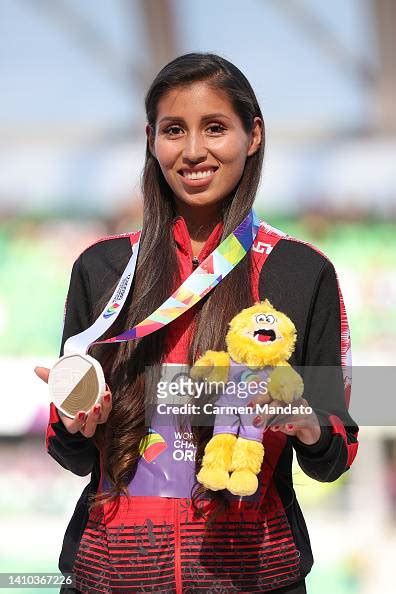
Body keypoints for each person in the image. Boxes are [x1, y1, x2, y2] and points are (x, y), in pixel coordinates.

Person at [35, 52, 359, 593]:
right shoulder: (102, 268)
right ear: (150, 138)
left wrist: (308, 422)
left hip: (254, 578)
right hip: (111, 576)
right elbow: (71, 451)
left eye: (214, 128)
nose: (192, 151)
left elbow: (337, 449)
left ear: (253, 135)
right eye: (173, 130)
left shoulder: (304, 271)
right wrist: (76, 423)